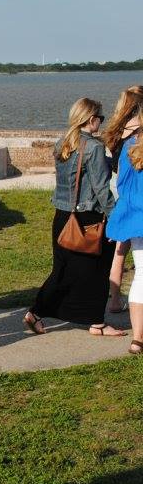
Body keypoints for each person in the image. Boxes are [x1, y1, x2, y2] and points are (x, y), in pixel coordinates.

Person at [23, 97, 120, 337]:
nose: (101, 122)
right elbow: (100, 188)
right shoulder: (94, 148)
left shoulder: (63, 143)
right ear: (91, 119)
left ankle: (35, 313)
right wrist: (115, 217)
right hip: (88, 219)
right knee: (97, 269)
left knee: (63, 270)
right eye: (101, 118)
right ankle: (97, 323)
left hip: (63, 216)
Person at [104, 88, 143, 355]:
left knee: (140, 271)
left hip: (132, 213)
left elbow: (121, 184)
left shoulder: (120, 138)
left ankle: (138, 337)